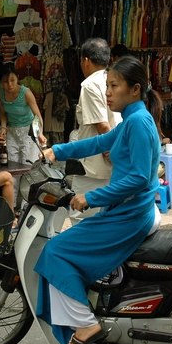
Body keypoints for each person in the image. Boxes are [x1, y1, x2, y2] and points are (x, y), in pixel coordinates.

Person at [35, 56, 163, 344]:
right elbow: (97, 143)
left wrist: (91, 198)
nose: (108, 92)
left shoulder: (139, 123)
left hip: (130, 214)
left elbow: (139, 178)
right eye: (107, 86)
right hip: (125, 210)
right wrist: (57, 150)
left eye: (114, 86)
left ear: (134, 89)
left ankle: (85, 324)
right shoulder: (131, 120)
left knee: (55, 251)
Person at [70, 38, 121, 225]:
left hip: (94, 166)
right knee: (106, 217)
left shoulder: (90, 85)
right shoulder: (113, 80)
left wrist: (110, 153)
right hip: (112, 162)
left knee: (81, 216)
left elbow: (102, 125)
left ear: (86, 60)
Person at [0, 63, 47, 166]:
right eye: (5, 82)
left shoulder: (26, 93)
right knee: (11, 165)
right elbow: (2, 113)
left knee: (27, 165)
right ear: (0, 82)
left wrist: (40, 133)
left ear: (18, 78)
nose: (10, 84)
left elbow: (38, 116)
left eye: (12, 80)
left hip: (28, 132)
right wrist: (3, 127)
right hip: (12, 132)